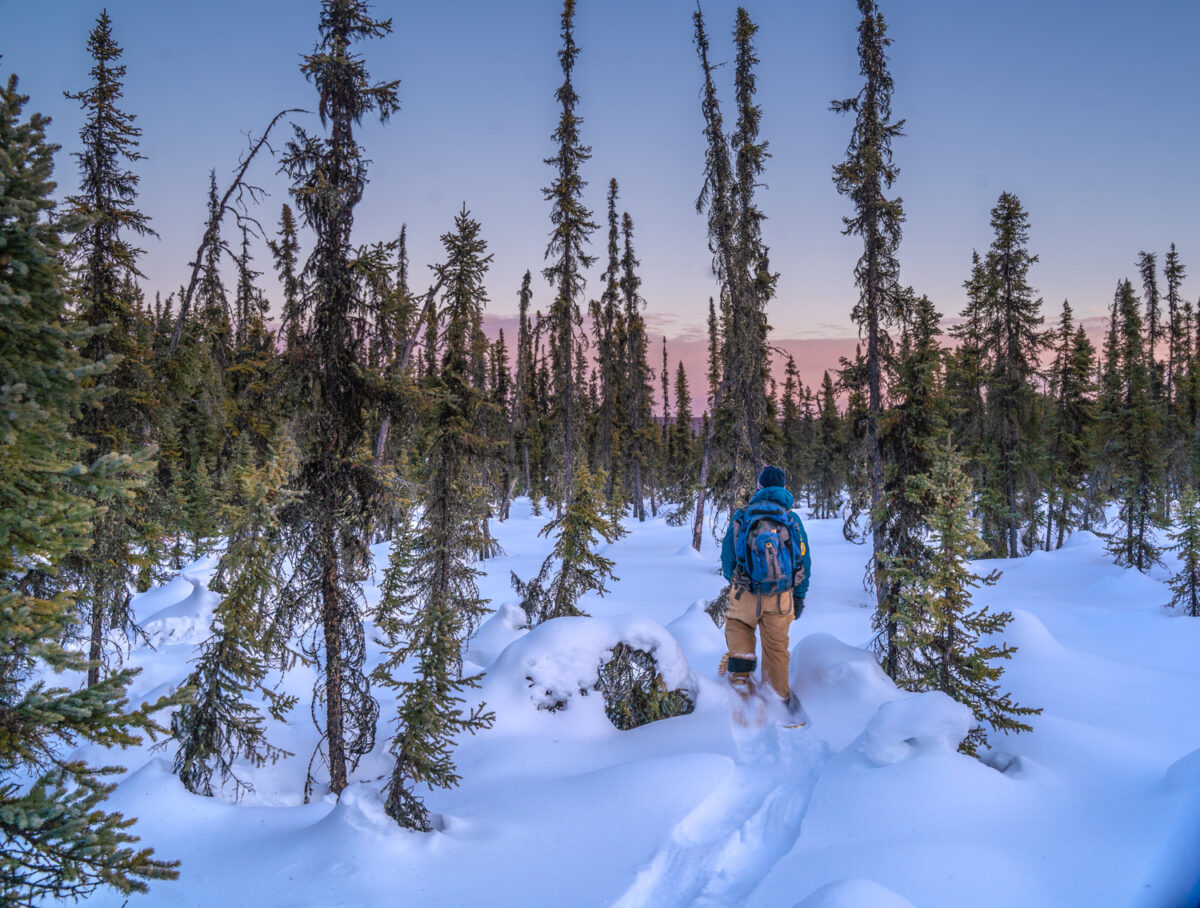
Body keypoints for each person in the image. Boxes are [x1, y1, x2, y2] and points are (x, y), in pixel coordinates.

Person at [719, 465, 811, 711]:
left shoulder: (742, 515)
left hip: (745, 592)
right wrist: (799, 596)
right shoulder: (792, 519)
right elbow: (804, 559)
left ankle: (741, 687)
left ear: (759, 487)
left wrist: (737, 582)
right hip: (781, 596)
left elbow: (727, 557)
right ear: (783, 488)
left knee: (739, 627)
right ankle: (779, 699)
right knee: (776, 647)